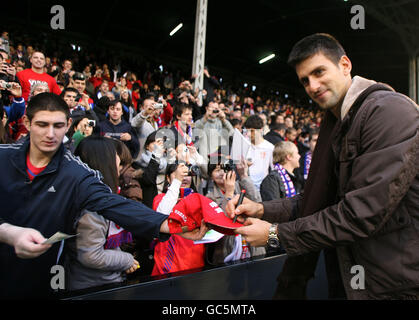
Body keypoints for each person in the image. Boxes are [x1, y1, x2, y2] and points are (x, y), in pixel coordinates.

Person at [227, 33, 419, 300]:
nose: (312, 86)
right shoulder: (338, 121)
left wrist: (275, 235)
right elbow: (318, 201)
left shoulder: (389, 112)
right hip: (353, 276)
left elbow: (360, 213)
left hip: (394, 284)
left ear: (345, 65)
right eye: (305, 80)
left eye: (319, 72)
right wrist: (262, 209)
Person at [0, 92, 207, 298]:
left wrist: (170, 224)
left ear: (68, 124)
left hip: (44, 279)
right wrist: (8, 232)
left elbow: (113, 204)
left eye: (58, 125)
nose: (51, 134)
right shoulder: (3, 157)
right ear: (27, 122)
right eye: (43, 125)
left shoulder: (75, 173)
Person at [67, 136, 139, 291]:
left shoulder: (95, 195)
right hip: (93, 286)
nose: (119, 164)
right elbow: (91, 255)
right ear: (104, 160)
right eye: (115, 155)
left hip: (101, 280)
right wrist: (127, 260)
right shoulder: (94, 206)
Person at [243, 115, 274, 192]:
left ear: (261, 129)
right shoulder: (243, 145)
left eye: (252, 131)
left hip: (262, 189)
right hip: (245, 187)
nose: (249, 134)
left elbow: (273, 169)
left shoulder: (270, 147)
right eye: (247, 131)